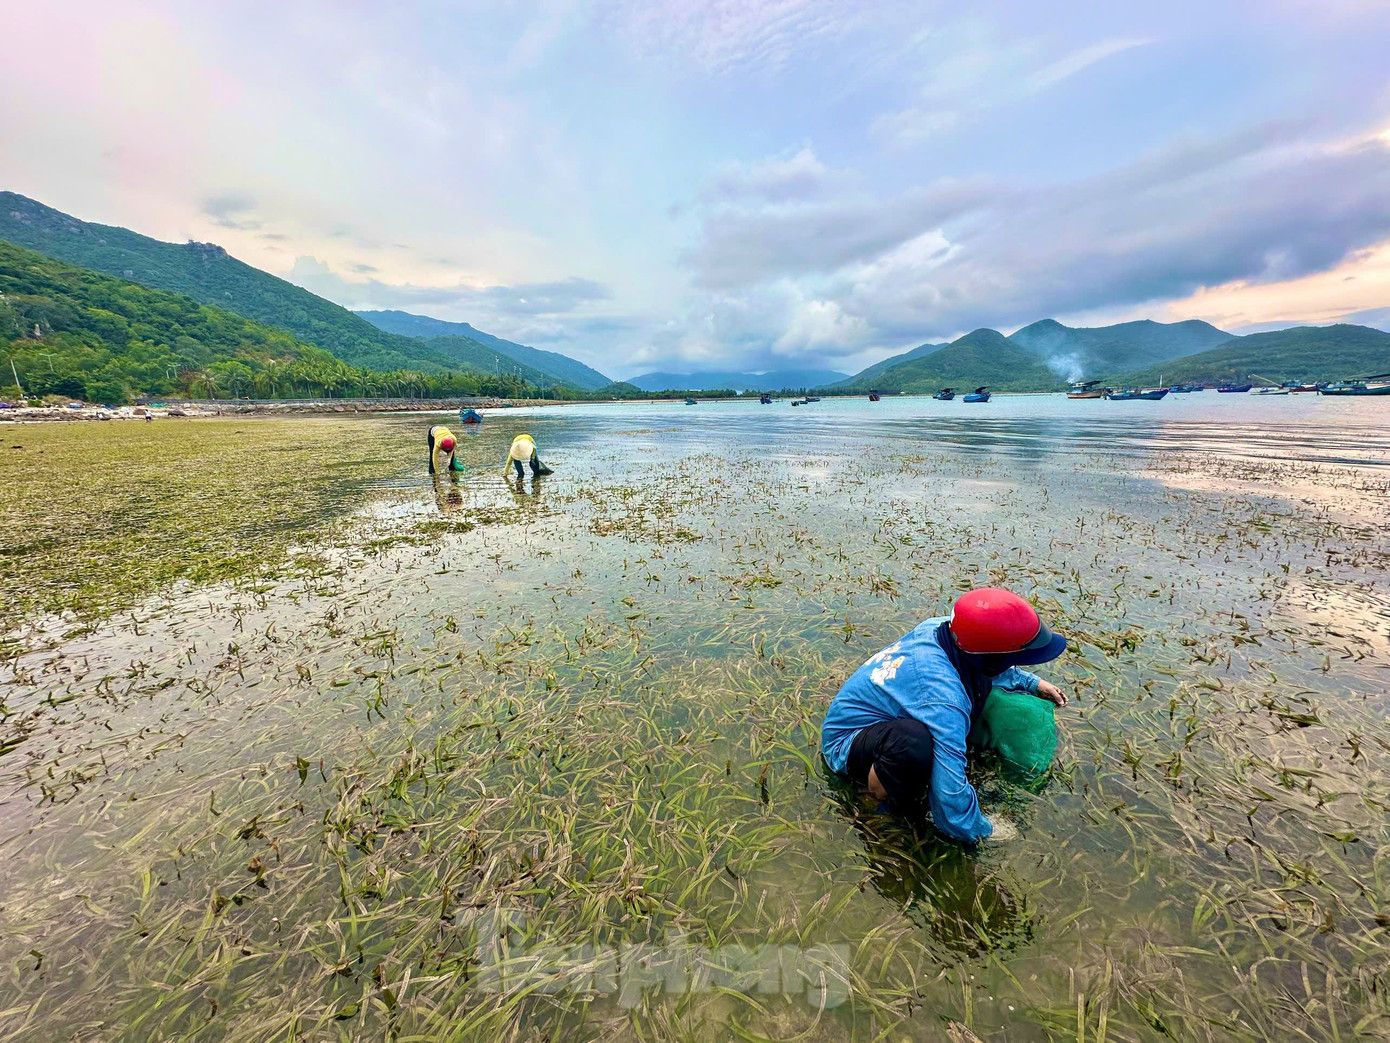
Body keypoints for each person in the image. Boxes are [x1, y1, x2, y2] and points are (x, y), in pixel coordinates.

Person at [820, 588, 1068, 844]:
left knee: (977, 688)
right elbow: (949, 791)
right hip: (847, 741)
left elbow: (985, 661)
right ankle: (874, 798)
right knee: (912, 743)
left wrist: (1031, 682)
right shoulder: (942, 697)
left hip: (900, 713)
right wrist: (981, 830)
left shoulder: (946, 628)